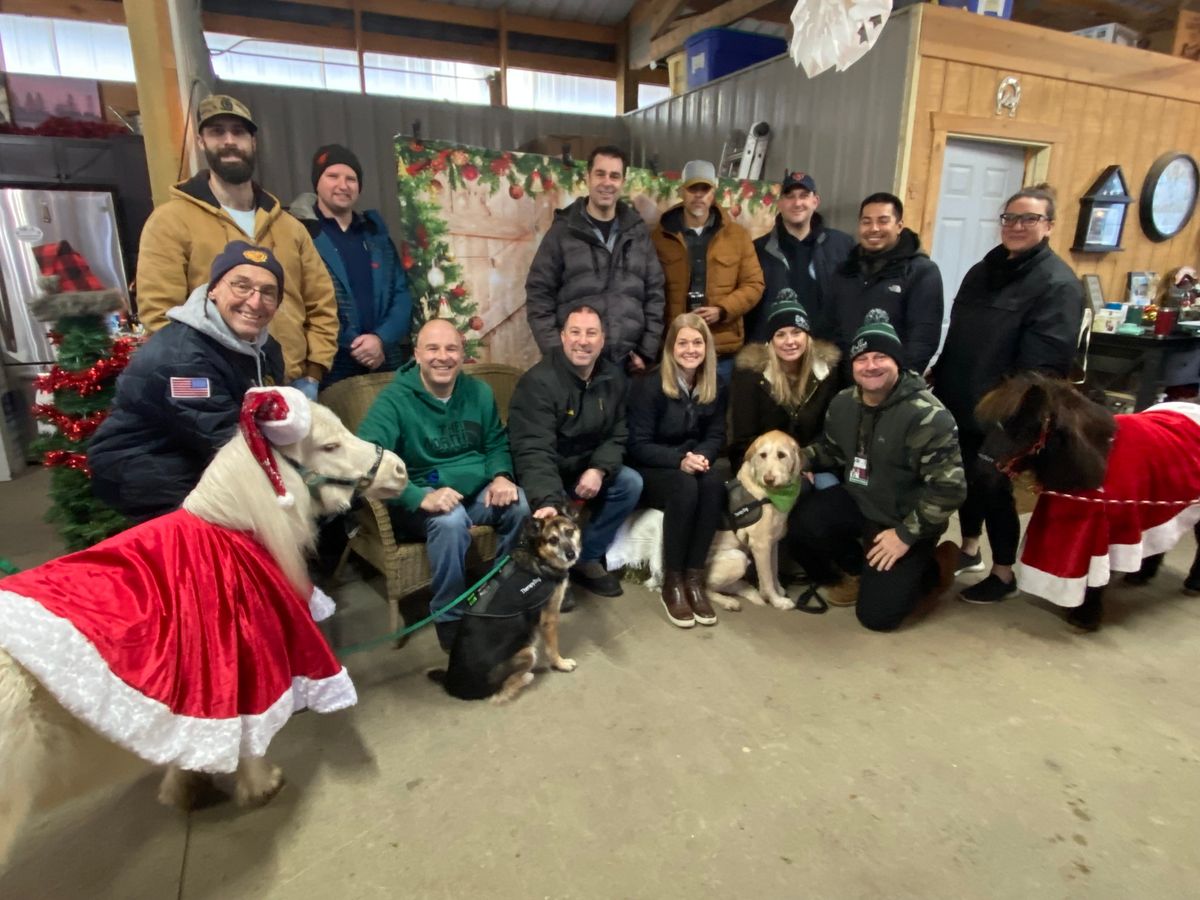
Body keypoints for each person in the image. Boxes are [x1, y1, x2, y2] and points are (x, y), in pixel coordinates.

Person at [931, 184, 1083, 604]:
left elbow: (1044, 370)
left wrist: (1012, 417)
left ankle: (1003, 572)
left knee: (994, 484)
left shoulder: (1058, 285)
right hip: (961, 396)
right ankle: (969, 547)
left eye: (1029, 218)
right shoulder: (983, 271)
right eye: (1010, 218)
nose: (1017, 226)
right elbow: (959, 335)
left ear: (1049, 225)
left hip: (1009, 409)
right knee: (964, 478)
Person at [135, 94, 337, 399]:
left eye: (238, 132)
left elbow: (321, 302)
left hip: (292, 385)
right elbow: (161, 315)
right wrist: (197, 381)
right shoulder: (170, 222)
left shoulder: (289, 226)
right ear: (202, 142)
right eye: (217, 132)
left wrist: (313, 371)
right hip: (218, 388)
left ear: (253, 142)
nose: (229, 141)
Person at [789, 310, 966, 631]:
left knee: (877, 618)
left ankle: (935, 567)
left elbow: (949, 489)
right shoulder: (844, 403)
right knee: (802, 522)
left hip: (905, 518)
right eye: (862, 358)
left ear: (897, 361)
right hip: (860, 501)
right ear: (852, 366)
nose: (871, 365)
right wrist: (795, 460)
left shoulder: (928, 416)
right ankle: (860, 570)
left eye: (880, 356)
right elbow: (830, 450)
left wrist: (906, 534)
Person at [357, 319, 527, 651]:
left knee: (519, 503)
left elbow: (494, 442)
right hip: (419, 501)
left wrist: (501, 476)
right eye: (432, 348)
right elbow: (366, 457)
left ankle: (500, 593)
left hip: (474, 492)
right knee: (450, 522)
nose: (442, 357)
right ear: (417, 354)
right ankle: (450, 615)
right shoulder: (394, 400)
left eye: (451, 348)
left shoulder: (478, 392)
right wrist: (418, 496)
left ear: (463, 355)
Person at [88, 241, 285, 523]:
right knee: (222, 530)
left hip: (197, 451)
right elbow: (224, 438)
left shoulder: (267, 348)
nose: (255, 302)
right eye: (241, 286)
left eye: (268, 292)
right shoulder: (183, 360)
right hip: (145, 465)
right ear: (214, 289)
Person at [508, 306, 643, 605]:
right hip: (546, 474)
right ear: (562, 337)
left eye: (591, 333)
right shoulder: (538, 383)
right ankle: (553, 571)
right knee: (537, 507)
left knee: (630, 483)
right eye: (576, 332)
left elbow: (618, 434)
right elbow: (532, 449)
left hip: (585, 470)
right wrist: (548, 501)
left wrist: (599, 469)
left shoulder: (613, 379)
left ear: (602, 339)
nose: (583, 341)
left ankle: (586, 557)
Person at [525, 145, 666, 374]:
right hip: (576, 366)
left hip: (627, 366)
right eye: (600, 174)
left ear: (623, 181)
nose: (607, 182)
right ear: (587, 177)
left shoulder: (638, 233)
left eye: (614, 176)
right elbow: (539, 294)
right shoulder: (562, 232)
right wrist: (556, 352)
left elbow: (655, 293)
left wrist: (646, 350)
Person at [627, 313, 727, 628]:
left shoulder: (716, 384)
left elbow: (716, 435)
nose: (690, 349)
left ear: (706, 347)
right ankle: (673, 580)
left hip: (690, 461)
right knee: (685, 485)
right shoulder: (651, 385)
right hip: (652, 466)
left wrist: (700, 456)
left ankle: (694, 577)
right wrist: (680, 459)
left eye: (697, 342)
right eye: (682, 342)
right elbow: (637, 444)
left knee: (713, 483)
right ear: (671, 347)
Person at [289, 144, 414, 387]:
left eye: (351, 179)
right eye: (332, 176)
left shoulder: (376, 235)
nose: (343, 185)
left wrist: (380, 339)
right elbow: (298, 300)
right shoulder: (302, 234)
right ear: (317, 182)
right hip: (328, 364)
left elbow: (401, 294)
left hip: (384, 359)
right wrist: (354, 344)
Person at [651, 159, 763, 384]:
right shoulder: (659, 237)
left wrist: (722, 310)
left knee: (716, 415)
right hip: (675, 348)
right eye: (693, 188)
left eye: (705, 189)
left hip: (721, 349)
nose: (699, 195)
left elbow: (754, 284)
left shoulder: (738, 236)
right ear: (682, 191)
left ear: (714, 192)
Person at [826, 192, 943, 379]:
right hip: (845, 382)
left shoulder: (921, 271)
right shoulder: (845, 270)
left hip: (892, 385)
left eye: (883, 221)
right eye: (866, 222)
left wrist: (901, 384)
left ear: (899, 226)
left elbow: (923, 339)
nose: (874, 228)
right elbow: (830, 326)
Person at [728, 290, 842, 474]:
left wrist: (804, 465)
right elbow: (743, 440)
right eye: (780, 334)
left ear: (807, 336)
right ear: (770, 341)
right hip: (763, 468)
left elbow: (828, 434)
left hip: (813, 465)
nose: (790, 341)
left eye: (797, 332)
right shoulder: (750, 375)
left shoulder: (826, 373)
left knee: (830, 495)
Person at [747, 169, 854, 343]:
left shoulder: (842, 245)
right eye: (790, 196)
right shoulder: (757, 249)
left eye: (804, 195)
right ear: (780, 203)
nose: (797, 203)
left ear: (815, 201)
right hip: (775, 350)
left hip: (826, 350)